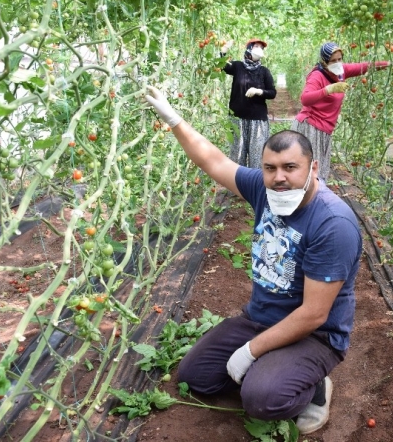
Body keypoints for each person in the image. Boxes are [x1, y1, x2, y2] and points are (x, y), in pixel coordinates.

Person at [145, 86, 362, 435]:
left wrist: (249, 351)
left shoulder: (333, 224)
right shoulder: (265, 189)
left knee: (262, 400)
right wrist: (175, 121)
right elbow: (214, 160)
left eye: (291, 167)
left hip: (314, 335)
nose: (279, 178)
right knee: (195, 376)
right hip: (260, 318)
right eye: (270, 168)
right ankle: (272, 370)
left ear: (313, 168)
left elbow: (314, 313)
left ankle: (315, 387)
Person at [292, 42, 389, 182]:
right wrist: (328, 90)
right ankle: (305, 202)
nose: (337, 63)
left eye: (339, 59)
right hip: (311, 127)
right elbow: (305, 99)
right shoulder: (317, 76)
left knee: (319, 173)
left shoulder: (341, 72)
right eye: (333, 60)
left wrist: (388, 64)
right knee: (309, 174)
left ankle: (312, 200)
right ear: (325, 61)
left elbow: (364, 67)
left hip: (324, 130)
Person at [221, 38, 277, 168]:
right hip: (237, 119)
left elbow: (272, 93)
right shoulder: (238, 67)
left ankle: (254, 187)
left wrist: (259, 91)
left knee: (256, 158)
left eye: (261, 48)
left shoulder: (264, 71)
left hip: (257, 121)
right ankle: (236, 187)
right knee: (237, 156)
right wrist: (223, 51)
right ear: (249, 48)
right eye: (256, 46)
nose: (259, 49)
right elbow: (223, 66)